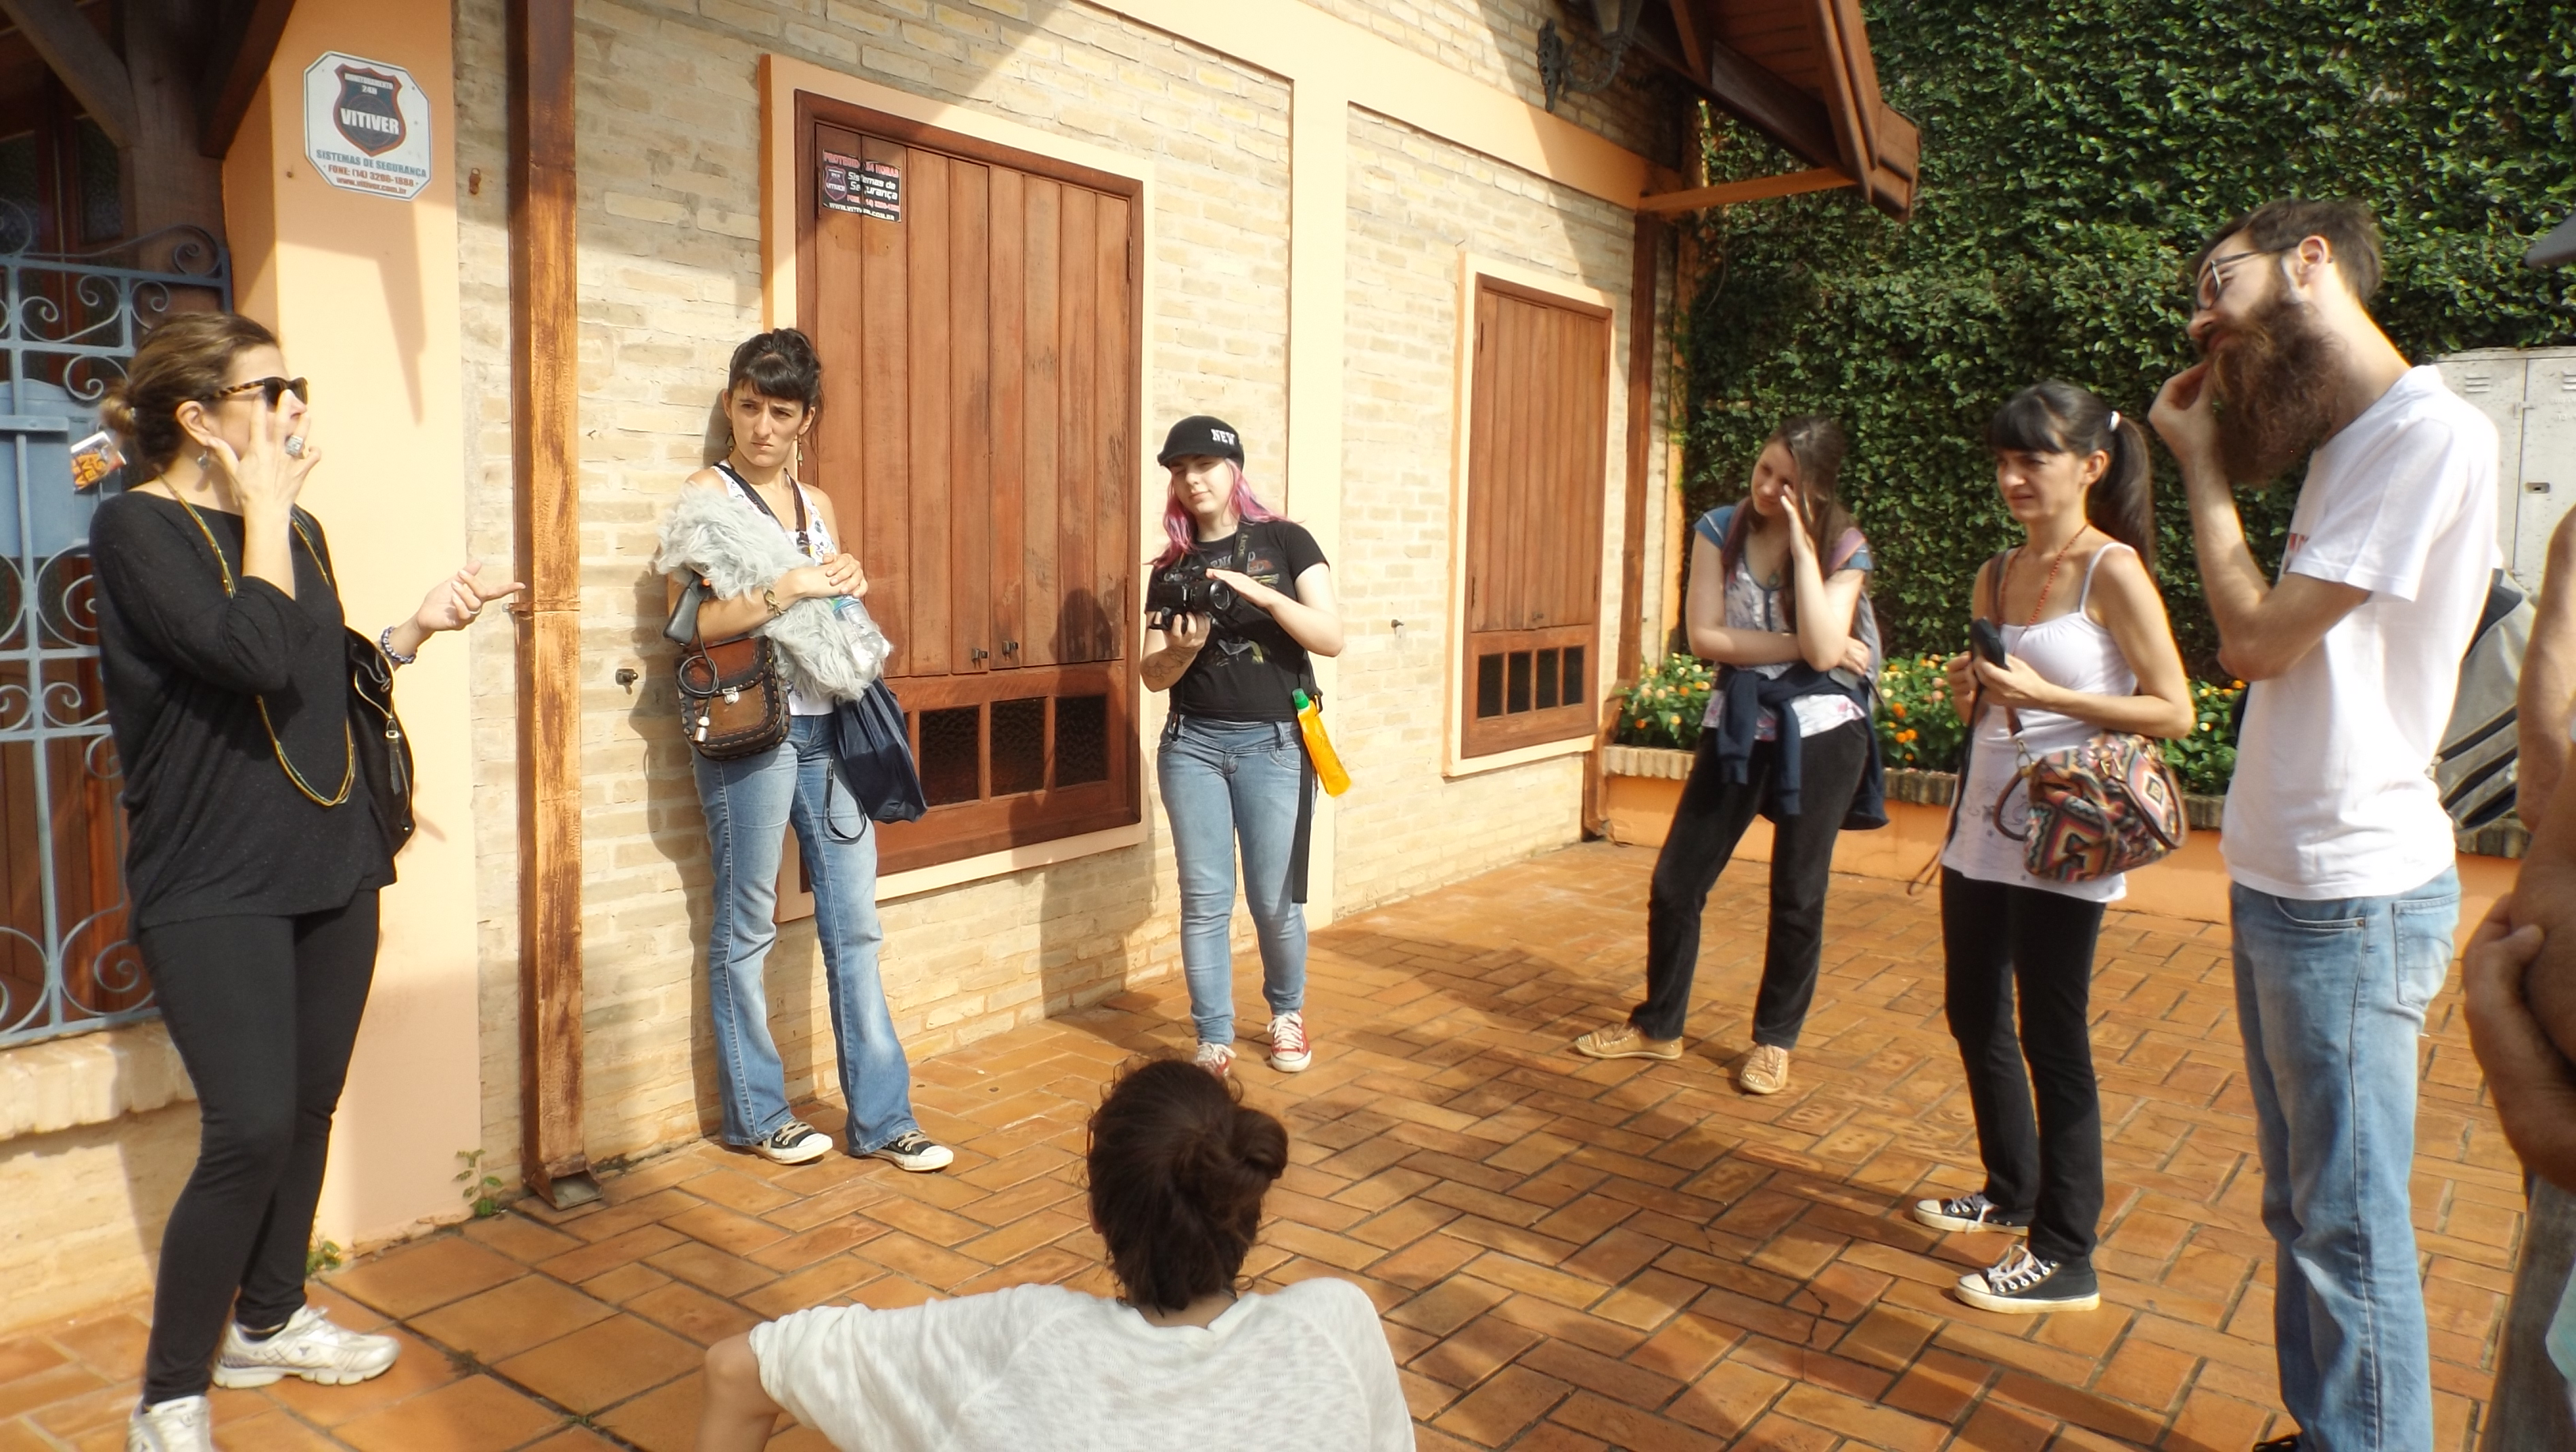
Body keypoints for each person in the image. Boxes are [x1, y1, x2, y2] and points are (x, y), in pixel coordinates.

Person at [90, 312, 522, 1451]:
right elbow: (248, 652)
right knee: (248, 1125)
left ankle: (269, 1320)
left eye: (297, 385)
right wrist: (270, 511)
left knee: (308, 1107)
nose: (295, 408)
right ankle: (170, 1394)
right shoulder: (136, 529)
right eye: (271, 390)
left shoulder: (302, 532)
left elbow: (311, 675)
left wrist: (415, 626)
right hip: (210, 875)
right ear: (199, 418)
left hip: (329, 856)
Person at [2150, 197, 2498, 1452]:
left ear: (2309, 262)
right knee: (2304, 1210)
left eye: (2218, 280)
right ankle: (2330, 1430)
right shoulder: (2345, 446)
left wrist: (2196, 463)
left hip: (2352, 892)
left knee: (2346, 1223)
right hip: (2286, 878)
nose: (2203, 320)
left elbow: (2253, 643)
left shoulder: (2428, 434)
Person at [693, 1057, 1414, 1450]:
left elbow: (736, 1369)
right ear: (1247, 1198)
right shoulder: (1337, 1324)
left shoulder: (1022, 1339)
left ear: (1098, 1216)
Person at [1911, 384, 2194, 1313]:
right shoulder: (1995, 571)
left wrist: (2050, 695)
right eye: (2003, 461)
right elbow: (1994, 708)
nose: (2012, 478)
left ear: (2091, 466)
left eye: (2032, 459)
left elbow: (2175, 709)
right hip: (1983, 827)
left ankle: (2067, 1252)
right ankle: (2011, 1189)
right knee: (1972, 1011)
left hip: (2068, 834)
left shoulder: (2112, 569)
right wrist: (1975, 692)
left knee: (2053, 1035)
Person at [655, 329, 951, 1173]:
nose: (762, 427)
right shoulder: (705, 495)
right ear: (730, 404)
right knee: (747, 924)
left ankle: (884, 1119)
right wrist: (785, 587)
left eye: (780, 412)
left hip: (831, 727)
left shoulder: (816, 503)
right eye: (749, 406)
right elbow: (687, 626)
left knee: (855, 927)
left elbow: (832, 612)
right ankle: (758, 1114)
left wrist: (844, 582)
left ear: (806, 419)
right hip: (753, 727)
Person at [1574, 414, 1882, 1096]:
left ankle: (1774, 1041)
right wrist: (1811, 646)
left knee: (1798, 893)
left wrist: (1803, 548)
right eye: (1765, 470)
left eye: (1787, 483)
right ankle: (1659, 1026)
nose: (1767, 488)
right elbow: (1708, 637)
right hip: (1738, 724)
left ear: (1816, 489)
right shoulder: (1721, 528)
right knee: (1676, 882)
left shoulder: (1843, 546)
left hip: (1824, 731)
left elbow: (1828, 655)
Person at [1136, 417, 1343, 1078]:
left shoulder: (1285, 541)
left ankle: (1286, 1012)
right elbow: (1152, 674)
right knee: (1204, 900)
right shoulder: (1171, 569)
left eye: (1204, 465)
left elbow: (1331, 637)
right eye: (1179, 469)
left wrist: (1257, 593)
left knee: (1274, 900)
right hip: (1191, 745)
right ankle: (1213, 1037)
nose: (1192, 480)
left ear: (1234, 469)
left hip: (1275, 744)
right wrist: (1185, 649)